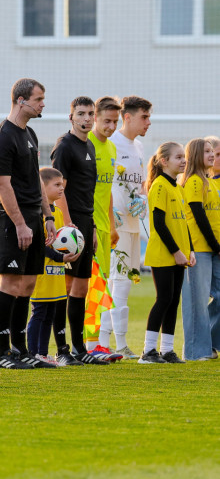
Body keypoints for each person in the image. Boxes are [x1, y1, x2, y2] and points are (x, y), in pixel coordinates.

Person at [0, 78, 57, 369]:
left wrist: (48, 215)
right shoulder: (3, 135)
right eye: (38, 99)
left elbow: (36, 179)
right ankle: (2, 354)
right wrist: (19, 224)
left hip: (33, 217)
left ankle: (20, 349)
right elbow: (2, 185)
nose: (43, 104)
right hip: (12, 219)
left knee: (27, 283)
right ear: (20, 100)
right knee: (10, 282)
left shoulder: (30, 133)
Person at [50, 96, 110, 365]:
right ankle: (61, 350)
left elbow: (88, 191)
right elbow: (57, 189)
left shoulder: (90, 146)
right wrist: (66, 223)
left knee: (81, 288)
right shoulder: (64, 146)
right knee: (63, 288)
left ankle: (79, 348)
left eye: (90, 114)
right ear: (71, 117)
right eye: (81, 114)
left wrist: (92, 227)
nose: (86, 118)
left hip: (86, 223)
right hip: (69, 225)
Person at [139, 142, 193, 364]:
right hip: (164, 253)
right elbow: (159, 224)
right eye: (178, 157)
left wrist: (189, 250)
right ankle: (148, 351)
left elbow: (184, 224)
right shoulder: (159, 186)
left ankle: (167, 350)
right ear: (164, 161)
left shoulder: (178, 188)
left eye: (183, 157)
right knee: (164, 299)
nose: (183, 160)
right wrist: (176, 251)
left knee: (173, 301)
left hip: (179, 254)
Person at [109, 96, 153, 358]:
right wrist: (111, 209)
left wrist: (143, 201)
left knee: (125, 282)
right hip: (117, 224)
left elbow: (141, 185)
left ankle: (119, 344)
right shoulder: (112, 143)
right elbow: (104, 182)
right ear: (127, 117)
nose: (148, 122)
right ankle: (111, 343)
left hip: (134, 223)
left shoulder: (139, 146)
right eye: (144, 117)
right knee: (117, 281)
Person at [26, 168, 81, 366]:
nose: (61, 189)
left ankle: (43, 353)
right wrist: (61, 257)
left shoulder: (57, 212)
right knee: (39, 313)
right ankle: (32, 353)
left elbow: (59, 240)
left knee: (50, 314)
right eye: (56, 185)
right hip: (42, 273)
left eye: (62, 185)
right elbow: (41, 245)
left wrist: (72, 238)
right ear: (42, 187)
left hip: (56, 273)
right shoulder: (38, 212)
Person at [89, 97, 122, 355]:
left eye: (115, 122)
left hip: (102, 227)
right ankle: (85, 346)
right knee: (89, 286)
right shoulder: (85, 143)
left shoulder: (111, 148)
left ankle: (94, 343)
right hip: (86, 226)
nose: (111, 126)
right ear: (95, 117)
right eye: (107, 121)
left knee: (100, 287)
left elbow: (107, 190)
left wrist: (111, 225)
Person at [180, 138, 218, 361]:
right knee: (196, 302)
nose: (212, 155)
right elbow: (199, 215)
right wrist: (215, 245)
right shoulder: (194, 181)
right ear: (195, 155)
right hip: (199, 250)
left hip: (213, 250)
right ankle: (195, 352)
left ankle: (209, 343)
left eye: (212, 151)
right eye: (207, 151)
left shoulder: (209, 181)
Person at [205, 136, 220, 358]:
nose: (216, 158)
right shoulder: (199, 183)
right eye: (216, 154)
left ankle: (210, 342)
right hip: (206, 247)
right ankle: (206, 341)